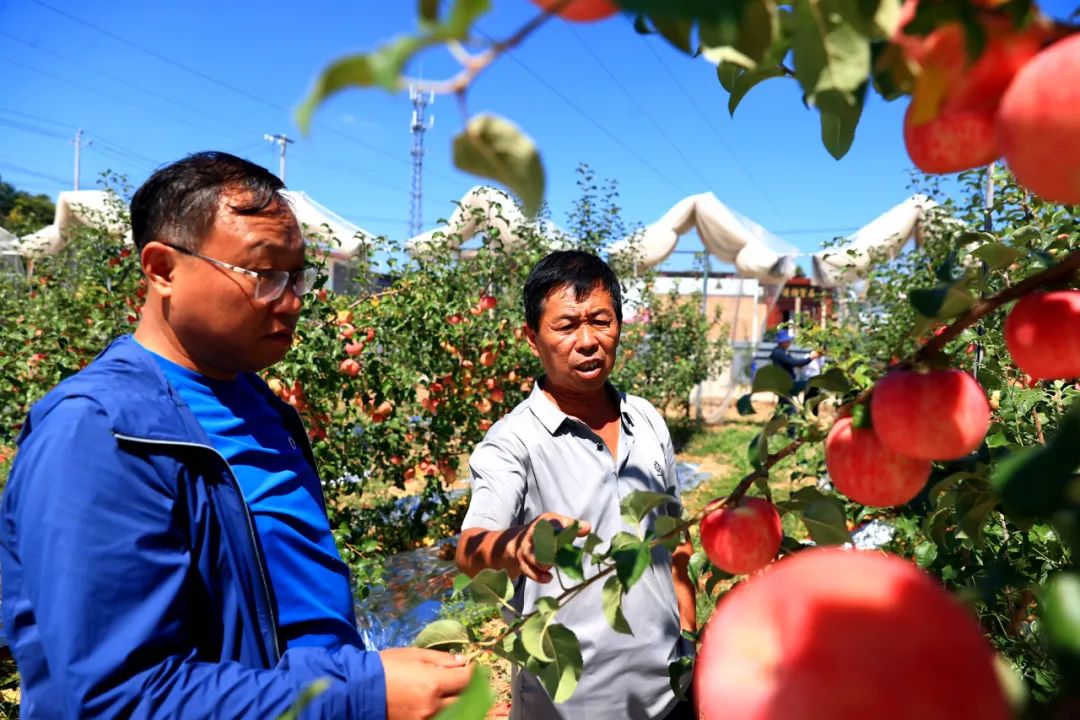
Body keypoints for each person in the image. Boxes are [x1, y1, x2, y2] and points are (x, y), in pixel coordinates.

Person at [0, 152, 472, 719]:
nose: (292, 300)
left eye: (298, 276)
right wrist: (359, 692)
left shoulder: (263, 408)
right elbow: (115, 699)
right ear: (162, 269)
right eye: (264, 275)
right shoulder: (100, 435)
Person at [455, 250, 696, 720]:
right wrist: (516, 545)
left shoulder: (646, 420)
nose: (587, 341)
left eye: (600, 322)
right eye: (566, 326)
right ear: (532, 338)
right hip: (571, 707)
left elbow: (674, 537)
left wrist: (688, 628)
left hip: (670, 694)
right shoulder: (514, 441)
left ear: (619, 325)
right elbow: (469, 547)